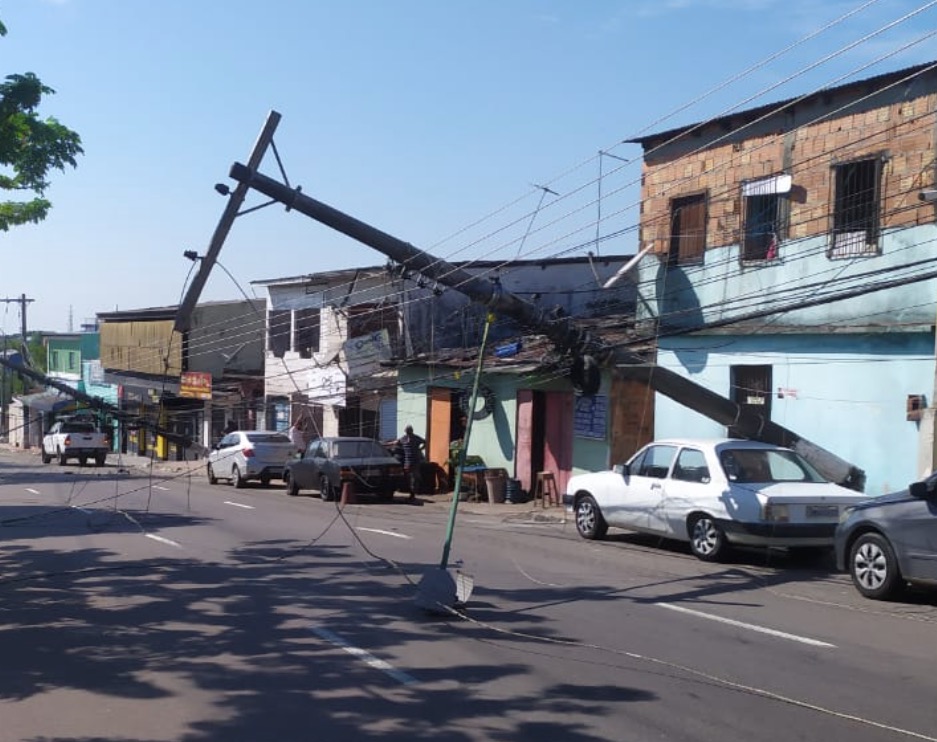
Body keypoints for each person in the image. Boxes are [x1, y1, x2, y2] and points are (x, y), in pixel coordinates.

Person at [395, 425, 426, 501]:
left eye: (409, 431)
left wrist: (420, 449)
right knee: (408, 477)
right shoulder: (403, 438)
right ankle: (411, 492)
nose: (408, 433)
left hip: (415, 461)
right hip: (407, 461)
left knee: (414, 477)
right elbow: (396, 443)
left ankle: (413, 493)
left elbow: (425, 442)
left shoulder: (416, 438)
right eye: (407, 431)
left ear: (412, 431)